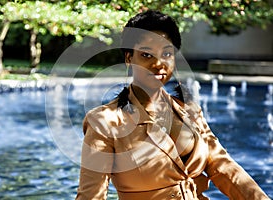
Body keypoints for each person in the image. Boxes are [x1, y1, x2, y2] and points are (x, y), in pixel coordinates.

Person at [76, 10, 270, 200]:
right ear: (129, 58)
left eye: (167, 53)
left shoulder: (189, 110)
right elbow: (91, 196)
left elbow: (223, 166)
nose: (159, 63)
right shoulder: (104, 122)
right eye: (146, 55)